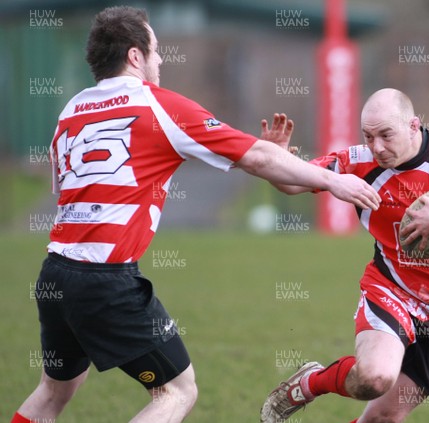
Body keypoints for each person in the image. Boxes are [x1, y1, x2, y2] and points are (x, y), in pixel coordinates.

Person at [10, 6, 381, 423]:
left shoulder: (70, 112)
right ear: (135, 56)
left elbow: (66, 192)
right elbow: (256, 156)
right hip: (106, 280)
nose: (161, 59)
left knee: (52, 392)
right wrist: (332, 181)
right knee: (176, 391)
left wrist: (267, 155)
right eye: (156, 50)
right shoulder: (158, 105)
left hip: (56, 274)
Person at [260, 88, 429, 423]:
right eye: (369, 137)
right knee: (373, 378)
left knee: (382, 418)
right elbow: (293, 183)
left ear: (414, 126)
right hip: (392, 289)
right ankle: (310, 383)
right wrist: (275, 160)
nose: (377, 147)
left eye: (386, 135)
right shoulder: (358, 161)